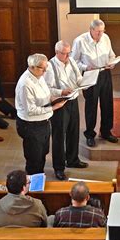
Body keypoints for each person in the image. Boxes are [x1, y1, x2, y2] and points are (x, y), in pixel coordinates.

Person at [15, 53, 66, 176]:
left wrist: (54, 98)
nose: (45, 70)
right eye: (42, 68)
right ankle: (33, 183)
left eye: (46, 66)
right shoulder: (25, 84)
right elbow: (31, 110)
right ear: (32, 67)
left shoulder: (39, 76)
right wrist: (53, 107)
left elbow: (46, 93)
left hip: (43, 122)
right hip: (30, 125)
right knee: (34, 157)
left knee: (43, 152)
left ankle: (39, 176)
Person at [44, 41, 88, 180]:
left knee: (73, 131)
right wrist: (61, 91)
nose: (67, 56)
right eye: (64, 53)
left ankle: (73, 159)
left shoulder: (71, 62)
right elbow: (47, 88)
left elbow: (79, 78)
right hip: (60, 103)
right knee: (59, 135)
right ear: (57, 52)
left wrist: (85, 83)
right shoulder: (50, 67)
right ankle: (59, 167)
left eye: (69, 53)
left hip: (73, 100)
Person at [71, 19, 118, 147]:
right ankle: (90, 134)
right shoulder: (80, 41)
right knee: (91, 106)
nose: (100, 35)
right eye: (98, 32)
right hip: (90, 74)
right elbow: (73, 61)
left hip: (104, 73)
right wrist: (86, 67)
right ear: (91, 30)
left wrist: (112, 62)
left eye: (102, 31)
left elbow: (111, 55)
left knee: (107, 103)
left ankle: (106, 132)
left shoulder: (106, 38)